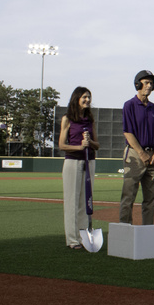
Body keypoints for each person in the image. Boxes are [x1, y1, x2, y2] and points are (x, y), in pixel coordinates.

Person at [119, 70, 154, 225]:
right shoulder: (129, 105)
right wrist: (141, 153)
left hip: (152, 155)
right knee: (128, 195)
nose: (149, 86)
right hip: (134, 154)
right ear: (137, 84)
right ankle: (124, 228)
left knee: (150, 198)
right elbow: (128, 133)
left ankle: (147, 231)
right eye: (146, 82)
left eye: (151, 83)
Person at [59, 87, 100, 249]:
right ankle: (72, 240)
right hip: (73, 162)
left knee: (85, 202)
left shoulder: (90, 120)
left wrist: (89, 143)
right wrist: (79, 147)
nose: (87, 100)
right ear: (76, 99)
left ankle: (83, 238)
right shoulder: (67, 119)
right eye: (84, 97)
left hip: (89, 161)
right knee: (72, 202)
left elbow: (97, 145)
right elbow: (62, 145)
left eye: (89, 97)